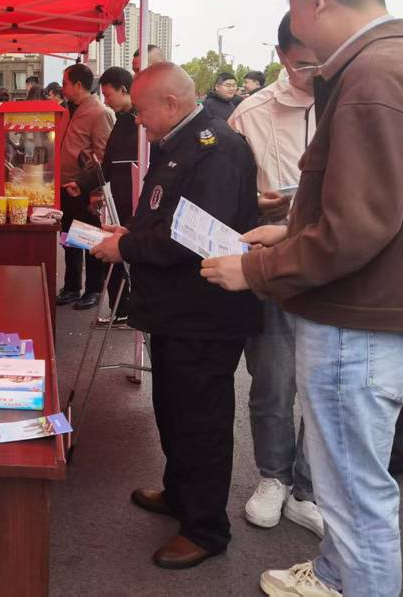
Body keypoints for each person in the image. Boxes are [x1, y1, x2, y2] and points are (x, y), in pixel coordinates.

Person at [201, 0, 403, 597]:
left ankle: (351, 579)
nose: (299, 41)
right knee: (348, 490)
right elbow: (391, 204)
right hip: (384, 315)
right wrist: (293, 228)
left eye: (297, 22)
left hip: (359, 323)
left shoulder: (372, 75)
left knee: (355, 500)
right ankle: (333, 574)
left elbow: (356, 227)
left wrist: (256, 269)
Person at [91, 62, 262, 570]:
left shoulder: (216, 148)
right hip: (174, 310)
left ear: (170, 103)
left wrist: (126, 248)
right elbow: (164, 214)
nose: (138, 120)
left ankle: (206, 528)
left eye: (141, 111)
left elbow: (193, 236)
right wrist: (130, 234)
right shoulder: (179, 143)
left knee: (201, 421)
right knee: (171, 409)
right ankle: (180, 493)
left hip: (204, 313)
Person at [227, 13, 324, 538]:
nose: (319, 71)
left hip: (334, 263)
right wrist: (255, 205)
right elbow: (226, 193)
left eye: (327, 58)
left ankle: (308, 487)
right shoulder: (251, 114)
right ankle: (273, 476)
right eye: (306, 62)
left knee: (328, 385)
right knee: (273, 377)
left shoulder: (350, 103)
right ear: (282, 56)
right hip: (274, 260)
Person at [74, 67, 137, 322]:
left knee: (124, 254)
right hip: (117, 200)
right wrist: (83, 184)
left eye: (108, 95)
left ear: (124, 89)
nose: (106, 100)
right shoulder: (122, 121)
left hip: (134, 201)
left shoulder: (140, 122)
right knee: (114, 256)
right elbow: (108, 164)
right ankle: (119, 309)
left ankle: (126, 309)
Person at [57, 63, 112, 311]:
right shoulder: (65, 110)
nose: (63, 88)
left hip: (84, 189)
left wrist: (95, 192)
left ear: (78, 85)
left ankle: (93, 289)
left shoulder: (99, 113)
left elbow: (103, 157)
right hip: (64, 187)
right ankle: (71, 286)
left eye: (65, 83)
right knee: (68, 239)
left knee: (90, 240)